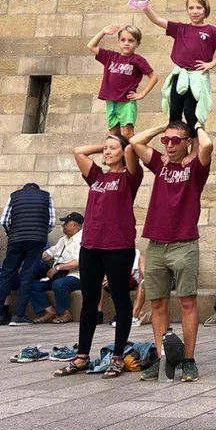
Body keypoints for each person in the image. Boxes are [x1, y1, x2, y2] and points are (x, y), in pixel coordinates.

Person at [130, 121, 214, 382]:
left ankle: (188, 360)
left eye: (176, 140)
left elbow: (208, 144)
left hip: (184, 243)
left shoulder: (195, 168)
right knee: (157, 303)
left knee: (187, 301)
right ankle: (163, 356)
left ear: (188, 141)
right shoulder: (160, 163)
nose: (169, 145)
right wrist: (162, 128)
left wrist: (197, 125)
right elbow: (135, 143)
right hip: (156, 243)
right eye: (166, 141)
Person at [53, 135, 142, 378]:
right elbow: (78, 151)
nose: (107, 152)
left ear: (124, 152)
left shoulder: (130, 177)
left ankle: (117, 357)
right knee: (89, 302)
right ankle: (82, 356)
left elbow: (134, 148)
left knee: (121, 300)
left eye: (113, 148)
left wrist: (123, 144)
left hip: (118, 246)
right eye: (105, 148)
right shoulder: (97, 176)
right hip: (91, 246)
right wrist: (104, 144)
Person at [144, 0, 216, 140]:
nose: (195, 11)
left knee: (190, 113)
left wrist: (211, 64)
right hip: (180, 75)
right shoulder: (181, 28)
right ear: (187, 10)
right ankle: (175, 143)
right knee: (174, 111)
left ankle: (195, 148)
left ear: (205, 10)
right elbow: (156, 20)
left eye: (199, 7)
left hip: (196, 77)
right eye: (191, 7)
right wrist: (145, 5)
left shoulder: (210, 31)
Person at [87, 24, 157, 138]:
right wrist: (103, 32)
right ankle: (120, 155)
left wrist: (142, 94)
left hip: (126, 101)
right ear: (118, 42)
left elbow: (154, 77)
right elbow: (91, 46)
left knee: (127, 133)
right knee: (113, 134)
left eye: (131, 40)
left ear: (137, 44)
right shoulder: (110, 56)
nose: (126, 43)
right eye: (123, 40)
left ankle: (132, 155)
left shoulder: (137, 60)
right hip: (111, 100)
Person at [0, 182, 55, 326]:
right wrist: (41, 234)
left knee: (6, 274)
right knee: (27, 275)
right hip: (36, 241)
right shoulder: (46, 196)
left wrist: (11, 233)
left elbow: (4, 220)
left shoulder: (14, 196)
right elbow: (51, 222)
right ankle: (18, 316)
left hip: (16, 239)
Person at [28, 212, 84, 325]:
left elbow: (78, 261)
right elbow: (48, 254)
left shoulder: (83, 239)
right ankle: (50, 312)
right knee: (31, 284)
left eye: (66, 223)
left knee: (59, 284)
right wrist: (32, 252)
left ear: (75, 225)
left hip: (75, 275)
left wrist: (57, 268)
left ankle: (65, 313)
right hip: (57, 274)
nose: (63, 225)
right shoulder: (63, 239)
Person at [99, 248, 146, 327]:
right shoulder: (110, 252)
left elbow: (131, 272)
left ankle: (127, 315)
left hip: (130, 279)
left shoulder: (134, 251)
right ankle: (98, 313)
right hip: (116, 278)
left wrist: (112, 277)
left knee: (117, 282)